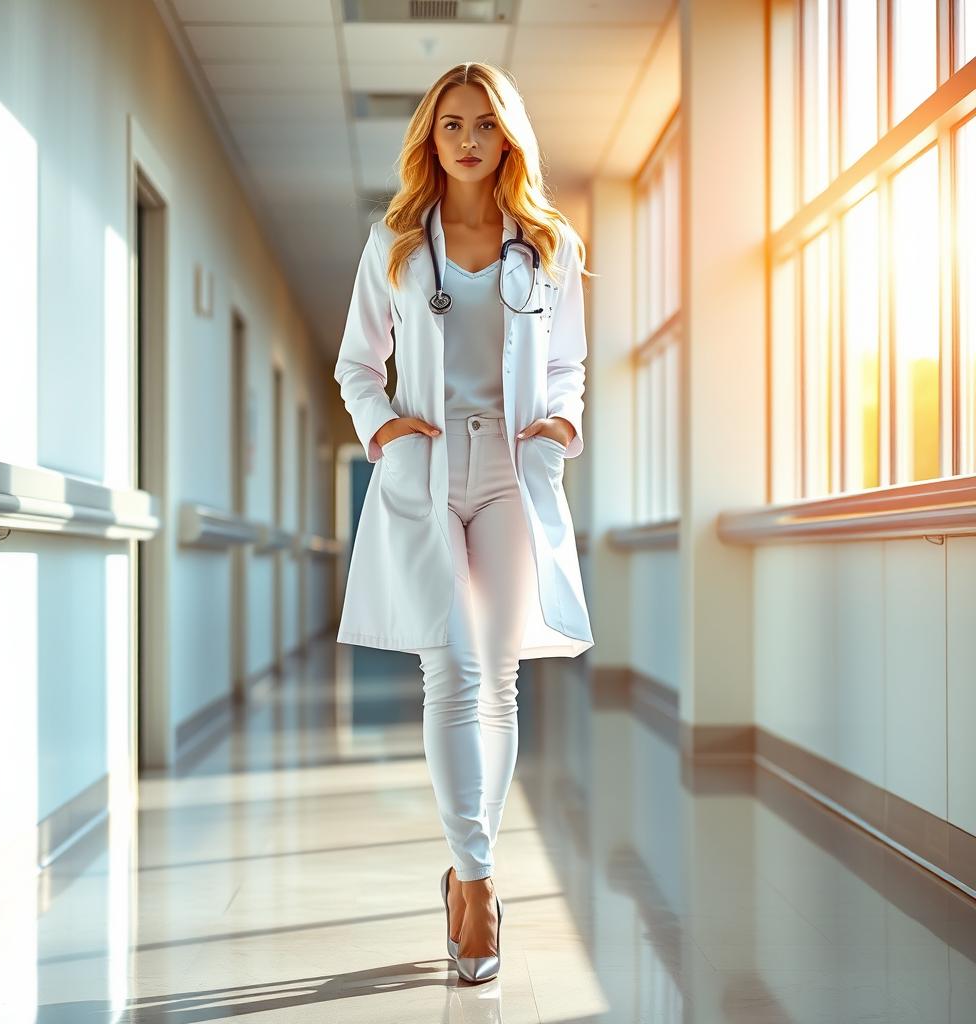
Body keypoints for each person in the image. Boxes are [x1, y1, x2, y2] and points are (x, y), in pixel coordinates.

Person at [333, 61, 593, 984]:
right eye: (452, 124)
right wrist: (387, 430)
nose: (470, 139)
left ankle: (466, 869)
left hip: (512, 469)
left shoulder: (549, 242)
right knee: (450, 669)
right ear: (430, 137)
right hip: (430, 466)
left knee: (500, 676)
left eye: (486, 123)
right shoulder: (398, 241)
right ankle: (476, 882)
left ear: (508, 135)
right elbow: (357, 364)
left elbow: (568, 365)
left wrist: (558, 426)